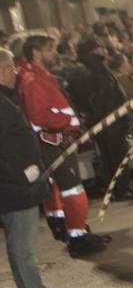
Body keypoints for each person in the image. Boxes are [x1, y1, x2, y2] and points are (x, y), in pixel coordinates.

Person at [14, 34, 107, 257]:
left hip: (57, 140)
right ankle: (77, 237)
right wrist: (69, 122)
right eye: (50, 49)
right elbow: (38, 116)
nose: (55, 53)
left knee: (62, 188)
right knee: (73, 189)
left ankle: (76, 229)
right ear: (37, 53)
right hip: (55, 142)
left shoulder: (39, 77)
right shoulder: (33, 81)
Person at [1, 48, 76, 288]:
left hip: (16, 185)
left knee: (22, 248)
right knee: (22, 249)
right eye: (11, 68)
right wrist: (24, 175)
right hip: (15, 188)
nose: (15, 73)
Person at [64, 36, 133, 200]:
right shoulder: (95, 67)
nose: (104, 50)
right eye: (100, 47)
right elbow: (103, 95)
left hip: (102, 121)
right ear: (93, 50)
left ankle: (114, 190)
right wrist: (106, 115)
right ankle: (121, 189)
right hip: (110, 120)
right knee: (117, 157)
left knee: (108, 158)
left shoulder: (84, 68)